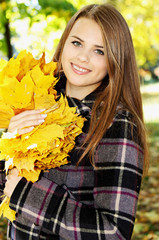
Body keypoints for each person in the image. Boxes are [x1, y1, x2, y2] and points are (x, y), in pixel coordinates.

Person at [0, 3, 148, 240]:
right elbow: (6, 184)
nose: (82, 57)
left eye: (99, 51)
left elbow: (114, 233)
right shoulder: (34, 99)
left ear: (115, 60)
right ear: (65, 41)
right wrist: (9, 145)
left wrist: (24, 193)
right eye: (77, 43)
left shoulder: (117, 124)